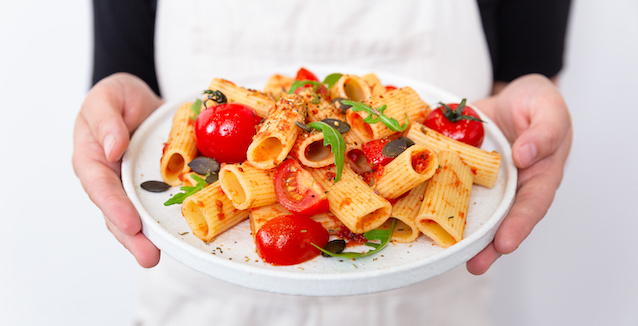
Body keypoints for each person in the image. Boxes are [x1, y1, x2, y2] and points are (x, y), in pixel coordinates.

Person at [73, 0, 573, 324]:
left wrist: (519, 109)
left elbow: (521, 67)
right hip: (199, 305)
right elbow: (129, 68)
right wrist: (120, 107)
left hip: (429, 305)